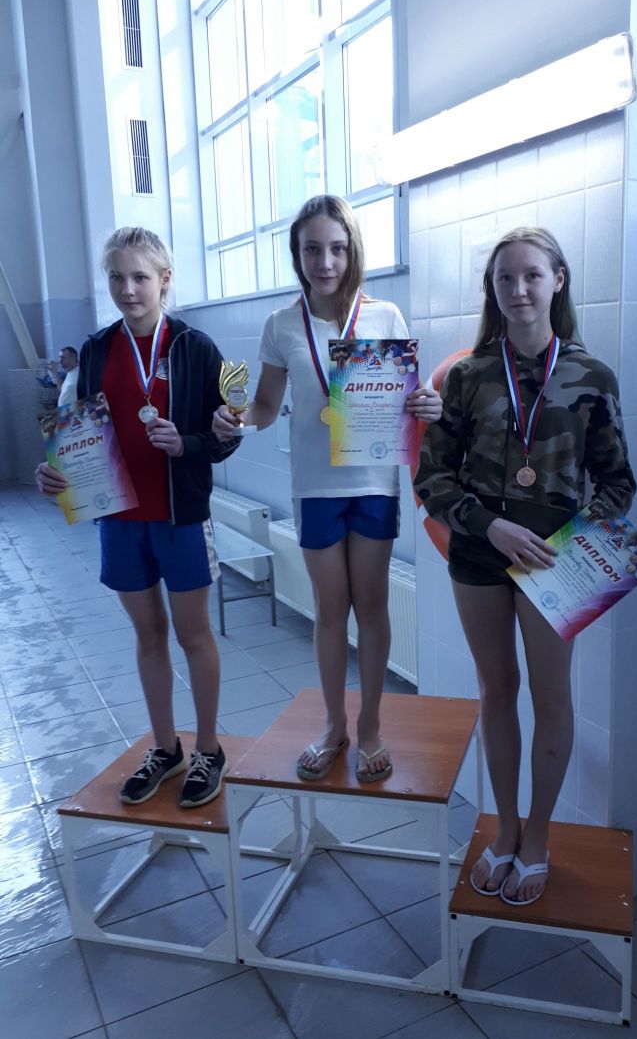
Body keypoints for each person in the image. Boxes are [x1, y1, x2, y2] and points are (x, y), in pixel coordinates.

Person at [414, 227, 635, 905]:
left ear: (557, 280)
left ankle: (538, 837)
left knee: (552, 699)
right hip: (480, 551)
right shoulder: (468, 376)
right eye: (505, 278)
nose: (518, 289)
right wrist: (490, 525)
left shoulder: (593, 377)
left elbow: (619, 482)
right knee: (496, 691)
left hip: (555, 561)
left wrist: (573, 544)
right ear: (493, 288)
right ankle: (505, 829)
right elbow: (432, 480)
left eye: (532, 275)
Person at [213, 194, 441, 783]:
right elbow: (265, 405)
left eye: (337, 248)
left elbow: (406, 401)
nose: (325, 262)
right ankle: (334, 725)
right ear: (297, 254)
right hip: (315, 488)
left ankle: (371, 727)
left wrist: (426, 403)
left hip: (373, 485)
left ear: (352, 250)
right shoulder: (281, 324)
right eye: (312, 249)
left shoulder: (385, 317)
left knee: (372, 605)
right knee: (330, 610)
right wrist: (236, 420)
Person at [35, 227, 238, 807]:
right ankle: (166, 747)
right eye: (117, 277)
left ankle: (208, 749)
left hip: (180, 516)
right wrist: (53, 473)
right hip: (120, 518)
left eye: (140, 277)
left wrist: (189, 442)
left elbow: (226, 437)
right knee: (148, 635)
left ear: (164, 279)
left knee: (193, 635)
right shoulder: (96, 350)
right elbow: (73, 432)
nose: (128, 289)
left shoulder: (197, 348)